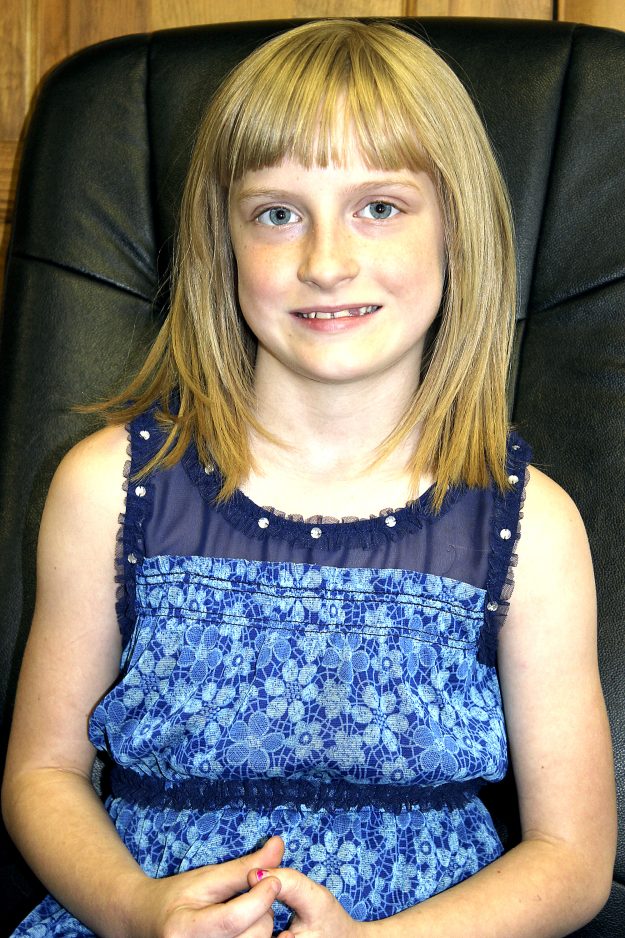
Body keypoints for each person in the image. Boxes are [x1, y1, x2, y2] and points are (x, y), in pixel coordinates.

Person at [1, 17, 616, 938]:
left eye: (380, 207)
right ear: (223, 243)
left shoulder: (530, 527)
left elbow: (572, 857)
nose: (325, 262)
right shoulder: (111, 488)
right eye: (277, 214)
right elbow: (42, 773)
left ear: (458, 232)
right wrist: (136, 910)